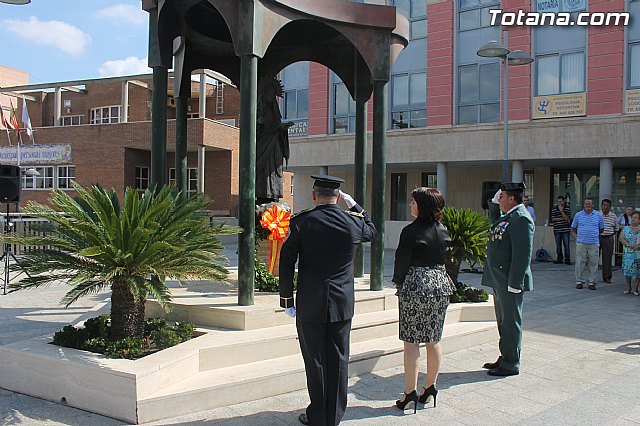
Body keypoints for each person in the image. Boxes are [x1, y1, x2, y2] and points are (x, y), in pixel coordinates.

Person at [279, 175, 376, 426]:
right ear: (339, 196)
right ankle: (333, 417)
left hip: (311, 300)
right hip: (342, 302)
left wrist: (287, 299)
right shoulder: (352, 223)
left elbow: (287, 260)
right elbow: (372, 231)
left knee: (315, 359)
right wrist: (356, 207)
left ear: (314, 195)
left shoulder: (301, 222)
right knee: (339, 358)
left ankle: (317, 414)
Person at [392, 187, 455, 412]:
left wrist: (398, 281)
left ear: (422, 206)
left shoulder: (410, 231)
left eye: (413, 201)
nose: (410, 204)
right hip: (440, 284)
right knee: (434, 339)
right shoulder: (443, 231)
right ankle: (430, 387)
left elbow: (402, 261)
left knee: (411, 342)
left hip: (416, 285)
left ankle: (410, 393)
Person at [481, 182, 534, 377]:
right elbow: (494, 221)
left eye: (502, 196)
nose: (499, 199)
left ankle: (511, 363)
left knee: (511, 322)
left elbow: (522, 255)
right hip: (500, 279)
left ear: (512, 199)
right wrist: (494, 201)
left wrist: (515, 282)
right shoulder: (509, 217)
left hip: (509, 280)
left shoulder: (521, 219)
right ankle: (505, 356)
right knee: (503, 321)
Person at [256, 76, 294, 204]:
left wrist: (283, 128)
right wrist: (258, 123)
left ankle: (274, 192)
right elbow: (249, 127)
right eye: (269, 92)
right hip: (263, 144)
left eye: (273, 93)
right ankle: (262, 192)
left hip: (275, 143)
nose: (271, 95)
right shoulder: (259, 109)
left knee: (275, 166)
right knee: (264, 168)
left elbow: (277, 125)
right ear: (265, 93)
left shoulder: (274, 110)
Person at [571, 198, 605, 290]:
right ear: (584, 204)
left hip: (594, 243)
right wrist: (582, 234)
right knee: (579, 263)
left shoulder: (598, 215)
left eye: (589, 204)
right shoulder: (578, 215)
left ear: (593, 205)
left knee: (593, 263)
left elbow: (601, 228)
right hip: (581, 243)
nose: (587, 205)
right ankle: (579, 281)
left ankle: (592, 282)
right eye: (586, 204)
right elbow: (573, 227)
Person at [620, 211, 640, 295]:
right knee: (627, 270)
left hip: (638, 253)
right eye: (633, 217)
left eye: (636, 217)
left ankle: (635, 288)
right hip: (628, 252)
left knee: (637, 271)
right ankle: (628, 286)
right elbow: (621, 238)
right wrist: (628, 245)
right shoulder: (626, 228)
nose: (634, 219)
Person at [599, 199, 619, 284]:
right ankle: (592, 277)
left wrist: (609, 234)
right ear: (601, 206)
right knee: (593, 257)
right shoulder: (597, 215)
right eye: (604, 205)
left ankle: (607, 277)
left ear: (610, 207)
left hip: (608, 237)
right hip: (597, 237)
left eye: (607, 205)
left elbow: (616, 229)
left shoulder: (613, 216)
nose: (605, 207)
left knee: (607, 259)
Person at [551, 196, 572, 264]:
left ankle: (567, 259)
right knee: (558, 245)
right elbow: (553, 219)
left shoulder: (567, 208)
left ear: (564, 201)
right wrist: (562, 218)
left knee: (566, 245)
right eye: (558, 201)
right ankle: (559, 258)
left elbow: (567, 218)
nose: (559, 203)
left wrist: (561, 211)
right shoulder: (554, 208)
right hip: (557, 229)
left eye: (561, 201)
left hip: (565, 229)